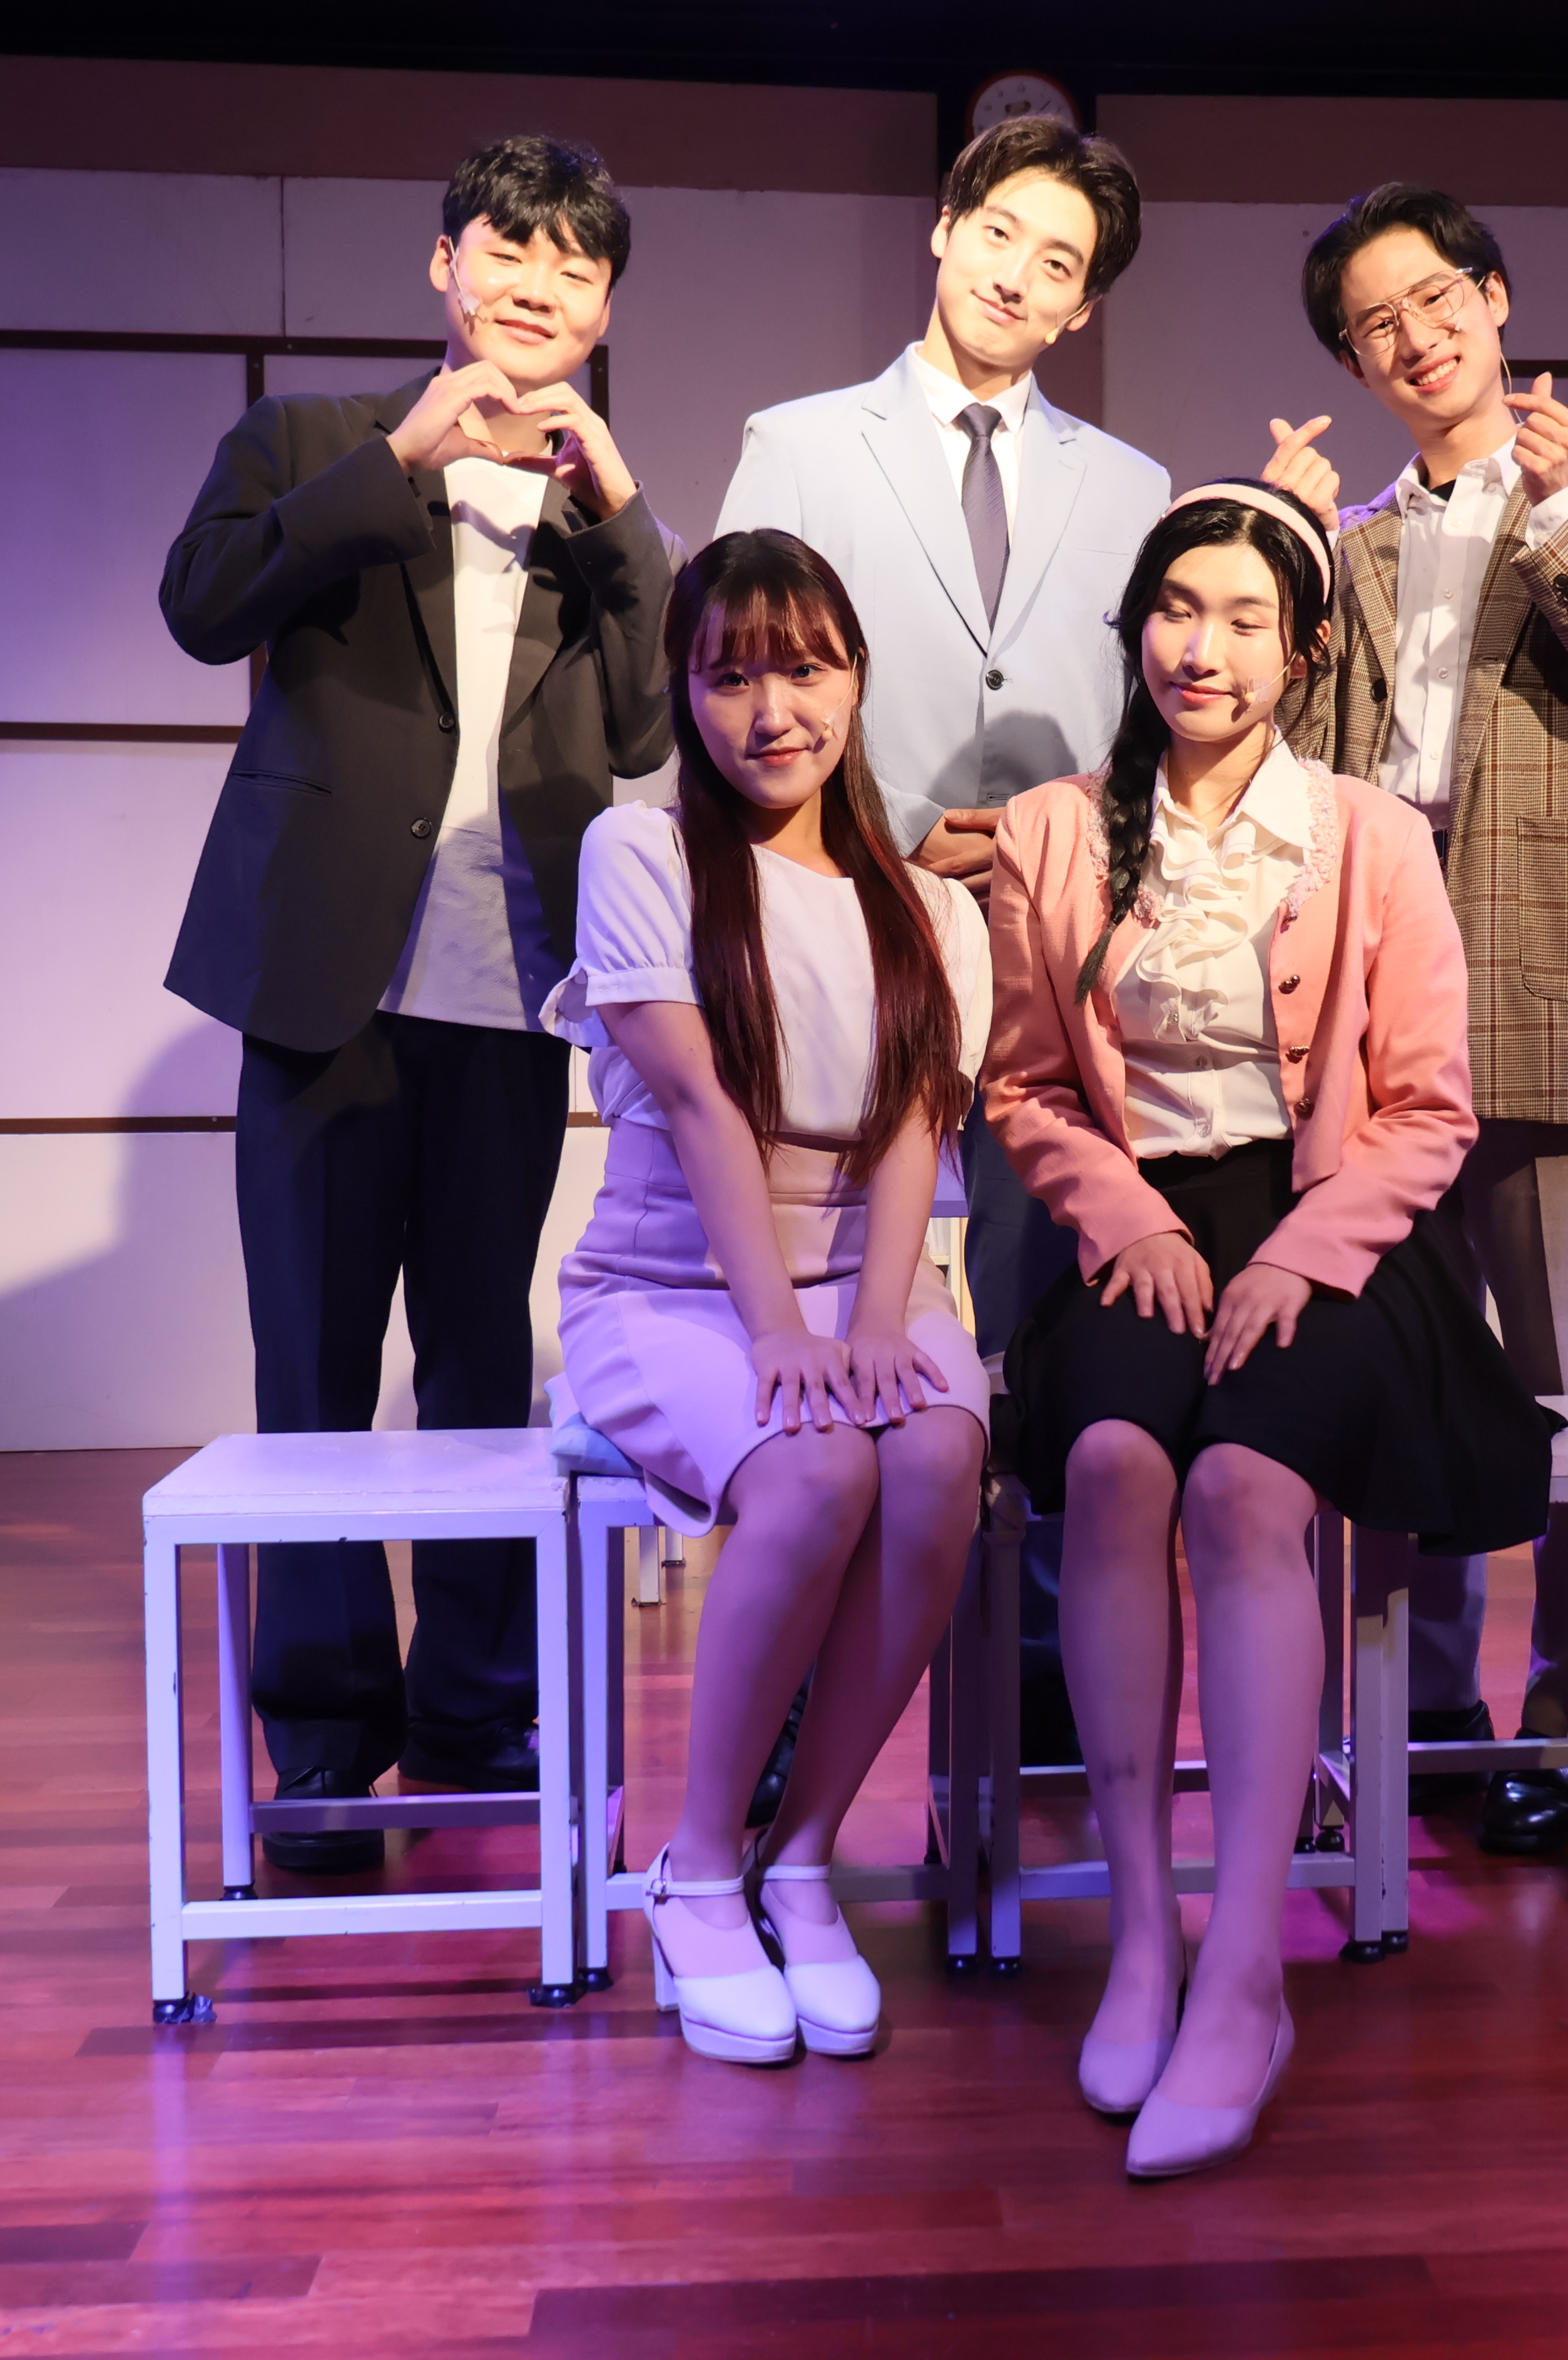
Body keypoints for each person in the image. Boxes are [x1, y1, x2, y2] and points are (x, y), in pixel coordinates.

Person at [984, 484, 1559, 2177]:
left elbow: (1430, 1111)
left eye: (1246, 619)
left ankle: (1247, 1966)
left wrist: (1305, 1252)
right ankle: (1142, 1936)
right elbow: (1023, 1085)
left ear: (1301, 653)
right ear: (1136, 628)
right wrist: (1126, 1216)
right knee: (1111, 1460)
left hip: (1340, 1227)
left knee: (1246, 1487)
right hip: (1141, 1217)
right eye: (1179, 609)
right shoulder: (1052, 831)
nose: (1205, 647)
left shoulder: (1374, 834)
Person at [160, 135, 675, 1869]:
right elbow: (202, 604)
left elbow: (653, 724)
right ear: (445, 266)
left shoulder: (599, 514)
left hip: (511, 990)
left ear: (604, 311)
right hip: (326, 978)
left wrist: (628, 519)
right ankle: (321, 1741)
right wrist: (399, 461)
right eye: (508, 252)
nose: (538, 287)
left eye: (575, 269)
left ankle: (474, 1708)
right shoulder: (312, 437)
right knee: (311, 1366)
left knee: (479, 1366)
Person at [1266, 183, 1568, 1858]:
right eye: (1377, 323)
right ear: (1354, 361)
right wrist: (1277, 546)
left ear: (1497, 298)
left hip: (1555, 993)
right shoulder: (1352, 543)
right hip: (1378, 1014)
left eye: (1437, 298)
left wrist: (1561, 511)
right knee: (1394, 1382)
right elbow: (1277, 764)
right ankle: (1421, 1714)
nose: (1417, 337)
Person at [718, 115, 1173, 1765]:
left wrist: (1058, 847)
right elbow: (745, 670)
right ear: (943, 227)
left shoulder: (1132, 487)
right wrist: (897, 823)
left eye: (1060, 265)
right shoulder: (799, 443)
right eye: (1001, 235)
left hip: (1055, 954)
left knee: (1047, 1308)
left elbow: (1148, 723)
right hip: (857, 925)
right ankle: (794, 1695)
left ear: (1082, 306)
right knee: (848, 1286)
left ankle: (1035, 1694)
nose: (1018, 277)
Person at [548, 529, 993, 2068]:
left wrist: (873, 1321)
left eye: (803, 667)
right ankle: (695, 1868)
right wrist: (782, 1333)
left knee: (936, 1452)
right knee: (813, 1468)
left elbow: (917, 1127)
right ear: (684, 690)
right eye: (729, 673)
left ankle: (801, 1855)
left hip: (867, 1272)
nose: (771, 708)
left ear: (856, 678)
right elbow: (699, 1105)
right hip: (675, 1279)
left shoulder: (932, 908)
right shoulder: (642, 852)